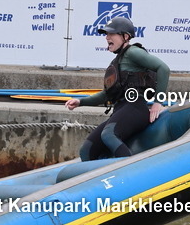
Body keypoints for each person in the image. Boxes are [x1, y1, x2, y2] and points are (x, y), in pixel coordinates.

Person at [65, 17, 170, 160]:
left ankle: (129, 171)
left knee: (109, 134)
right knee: (87, 150)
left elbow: (163, 68)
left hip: (135, 108)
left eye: (111, 34)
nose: (107, 37)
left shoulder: (133, 52)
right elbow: (107, 95)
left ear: (125, 37)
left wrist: (158, 102)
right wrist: (80, 102)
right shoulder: (117, 61)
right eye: (106, 34)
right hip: (120, 109)